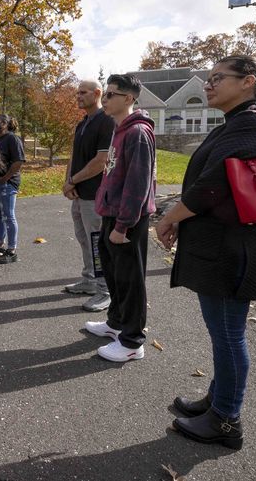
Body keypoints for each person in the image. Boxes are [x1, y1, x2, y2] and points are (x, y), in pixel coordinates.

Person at [155, 55, 256, 450]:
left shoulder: (251, 124)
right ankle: (218, 400)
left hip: (233, 249)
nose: (208, 85)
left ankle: (227, 422)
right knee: (224, 334)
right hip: (223, 246)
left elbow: (213, 186)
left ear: (248, 82)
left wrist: (169, 218)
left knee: (228, 336)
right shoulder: (238, 123)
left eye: (217, 78)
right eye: (207, 79)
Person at [85, 74, 156, 363]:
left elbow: (138, 185)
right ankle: (115, 323)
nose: (106, 99)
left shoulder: (138, 132)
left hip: (127, 221)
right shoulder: (119, 129)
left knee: (130, 281)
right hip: (111, 216)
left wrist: (123, 225)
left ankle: (132, 341)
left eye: (112, 94)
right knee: (114, 275)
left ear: (128, 99)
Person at [62, 80, 116, 312]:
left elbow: (100, 162)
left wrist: (74, 180)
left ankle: (105, 290)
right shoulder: (83, 123)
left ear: (97, 93)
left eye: (83, 92)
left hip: (96, 196)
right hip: (79, 194)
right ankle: (90, 281)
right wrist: (67, 182)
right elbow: (74, 157)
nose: (78, 96)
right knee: (84, 239)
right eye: (77, 93)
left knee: (97, 243)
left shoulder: (106, 121)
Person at [0, 113, 25, 264]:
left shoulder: (12, 138)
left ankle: (12, 250)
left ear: (4, 123)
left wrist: (6, 178)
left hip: (7, 183)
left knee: (8, 216)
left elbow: (18, 161)